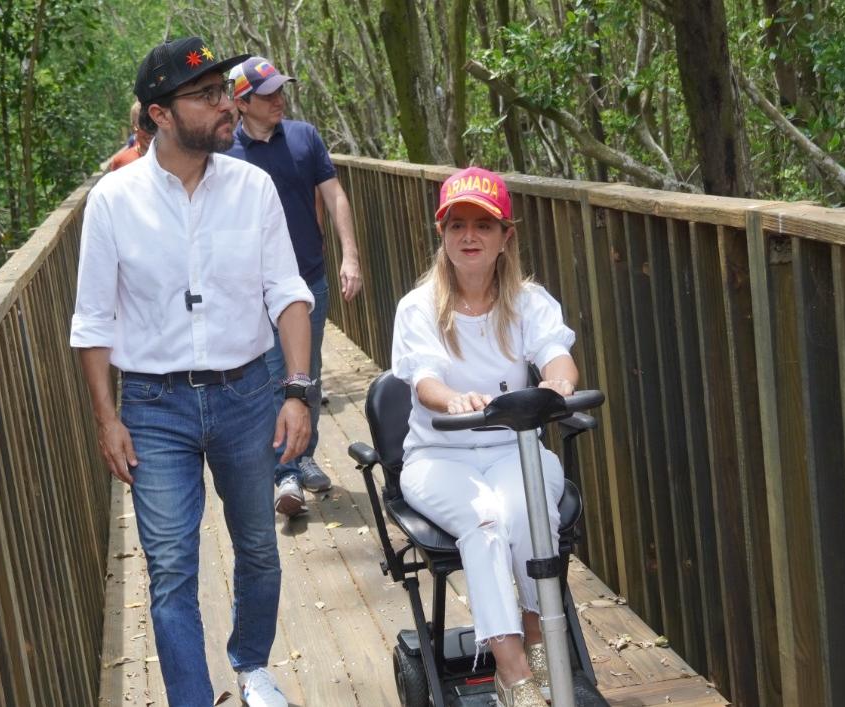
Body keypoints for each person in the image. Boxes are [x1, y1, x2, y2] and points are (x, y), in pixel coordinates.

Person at [71, 36, 314, 707]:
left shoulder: (253, 187)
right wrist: (106, 419)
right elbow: (91, 323)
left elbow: (288, 292)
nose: (225, 102)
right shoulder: (113, 201)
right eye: (205, 94)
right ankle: (189, 695)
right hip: (153, 405)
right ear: (161, 114)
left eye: (223, 89)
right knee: (172, 565)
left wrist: (297, 389)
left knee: (259, 547)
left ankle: (252, 664)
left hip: (247, 393)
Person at [389, 167, 579, 707]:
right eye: (457, 226)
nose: (469, 237)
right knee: (485, 520)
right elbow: (424, 380)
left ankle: (537, 628)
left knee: (526, 513)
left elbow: (557, 357)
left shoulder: (529, 302)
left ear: (505, 237)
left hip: (511, 447)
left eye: (483, 225)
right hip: (440, 453)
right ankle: (513, 671)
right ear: (441, 234)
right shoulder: (418, 307)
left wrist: (556, 383)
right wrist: (452, 398)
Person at [224, 56, 363, 517]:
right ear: (241, 103)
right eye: (268, 95)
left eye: (282, 90)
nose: (279, 99)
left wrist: (351, 256)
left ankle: (301, 458)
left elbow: (335, 195)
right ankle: (283, 471)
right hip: (250, 290)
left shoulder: (304, 136)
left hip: (309, 279)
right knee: (269, 375)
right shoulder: (224, 152)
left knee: (307, 372)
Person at [107, 100, 151, 171]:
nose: (150, 131)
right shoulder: (121, 162)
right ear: (134, 127)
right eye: (143, 125)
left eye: (154, 124)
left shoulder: (172, 158)